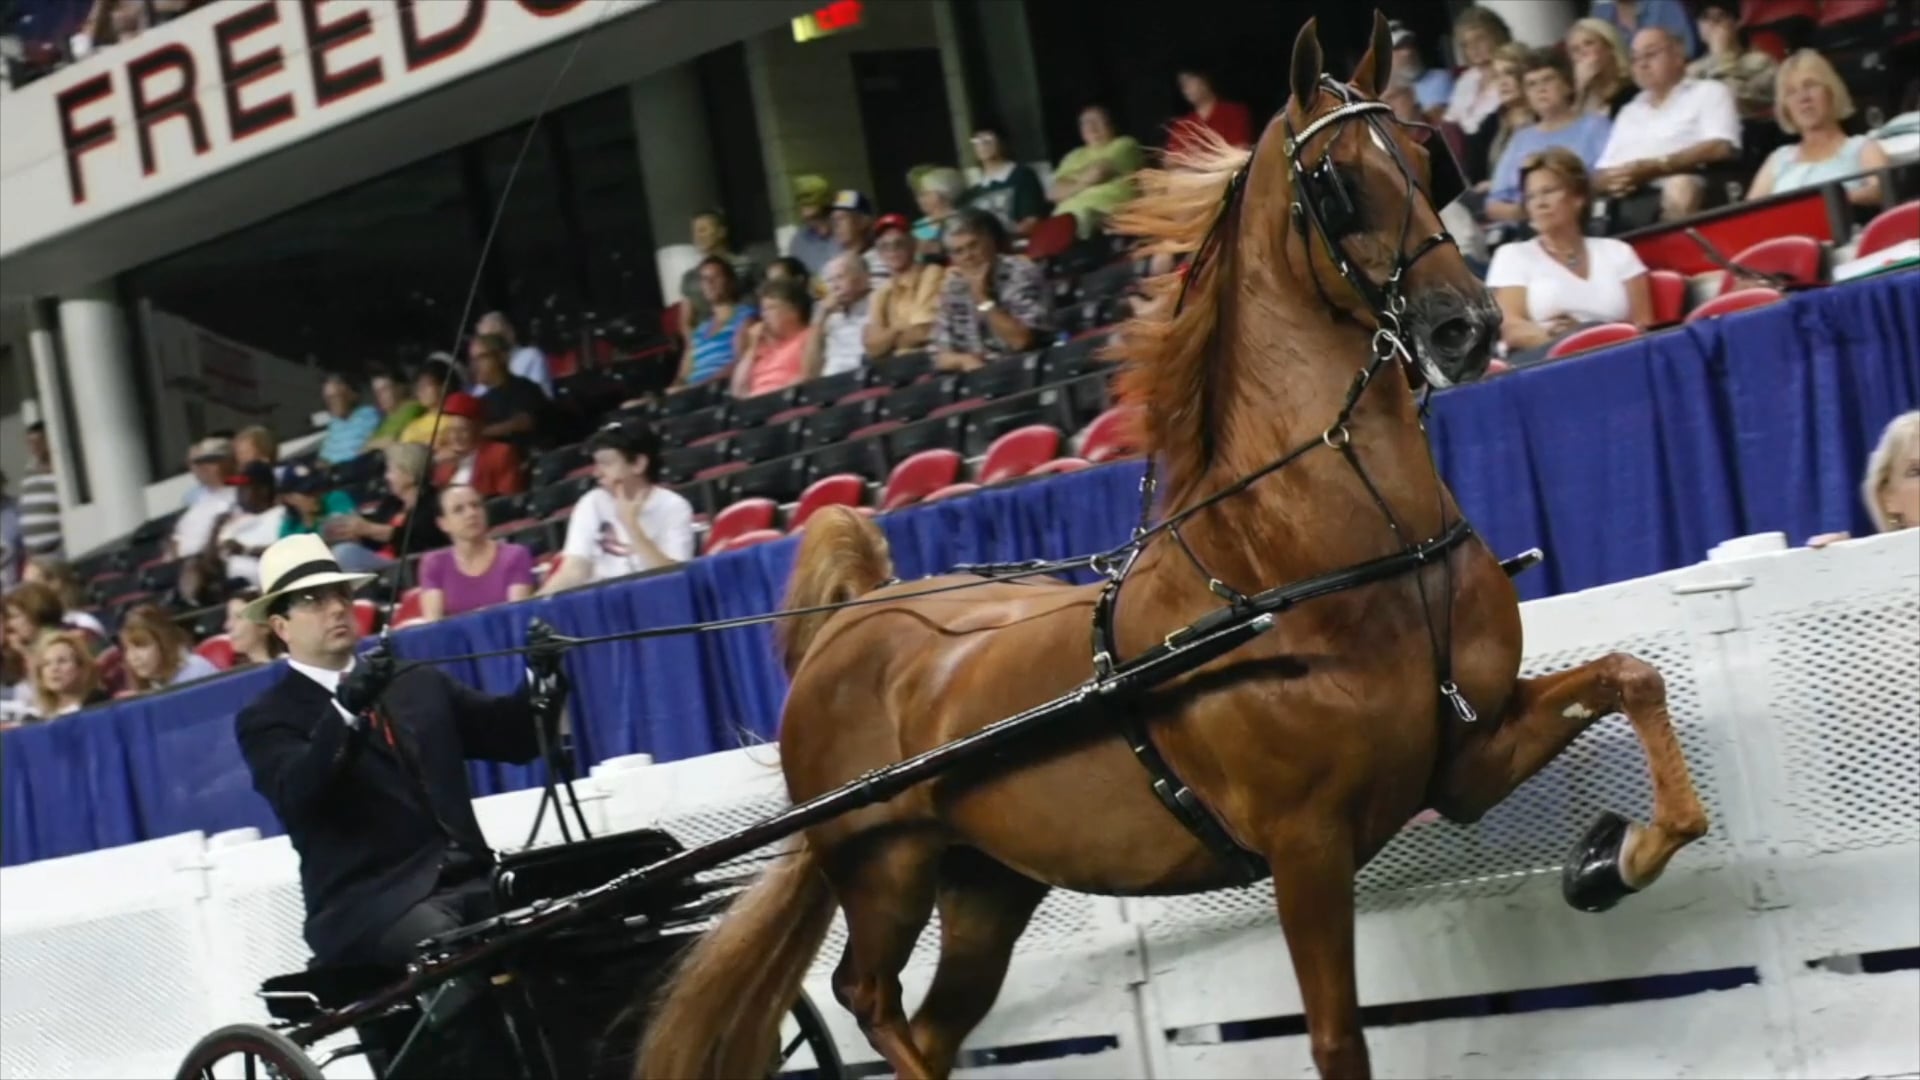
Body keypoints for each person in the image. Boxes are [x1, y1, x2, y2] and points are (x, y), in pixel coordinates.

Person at [233, 533, 549, 974]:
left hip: (470, 879)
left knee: (570, 917)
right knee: (453, 947)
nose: (336, 607)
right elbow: (298, 791)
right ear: (281, 626)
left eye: (340, 594)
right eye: (312, 600)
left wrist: (542, 680)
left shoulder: (414, 681)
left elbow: (513, 739)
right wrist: (344, 710)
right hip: (366, 908)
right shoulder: (267, 718)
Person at [1487, 149, 1652, 365]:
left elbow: (1644, 328)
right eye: (1531, 196)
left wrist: (1588, 336)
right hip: (1546, 362)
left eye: (1548, 191)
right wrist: (1570, 342)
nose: (1539, 203)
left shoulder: (1618, 252)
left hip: (1618, 358)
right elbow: (1512, 328)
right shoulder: (1513, 255)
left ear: (1578, 197)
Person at [1592, 27, 1741, 223]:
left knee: (1681, 187)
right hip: (1631, 196)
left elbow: (1721, 147)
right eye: (1635, 58)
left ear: (1678, 56)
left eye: (1651, 54)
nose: (1642, 64)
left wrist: (1657, 166)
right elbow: (1603, 170)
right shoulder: (1629, 111)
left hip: (1689, 183)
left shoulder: (1709, 92)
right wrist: (1610, 180)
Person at [539, 425, 694, 595]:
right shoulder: (591, 503)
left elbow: (673, 578)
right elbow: (575, 570)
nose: (597, 473)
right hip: (606, 603)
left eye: (606, 463)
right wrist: (528, 608)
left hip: (657, 600)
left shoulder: (674, 506)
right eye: (596, 464)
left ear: (638, 464)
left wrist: (630, 524)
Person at [1746, 50, 1890, 209]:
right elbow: (1747, 215)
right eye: (1791, 92)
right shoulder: (1778, 160)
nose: (1803, 98)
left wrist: (1825, 203)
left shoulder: (1862, 147)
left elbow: (1882, 191)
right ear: (1786, 107)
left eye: (1810, 85)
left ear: (1831, 92)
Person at [1484, 49, 1614, 225]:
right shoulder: (1520, 139)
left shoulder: (1596, 126)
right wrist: (1528, 210)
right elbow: (1493, 205)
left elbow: (1610, 177)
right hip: (1528, 230)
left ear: (1567, 85)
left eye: (1548, 80)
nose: (1540, 89)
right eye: (1531, 84)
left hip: (1585, 221)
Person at [930, 209, 1051, 373]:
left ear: (991, 241)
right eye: (958, 251)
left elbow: (1021, 341)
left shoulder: (1020, 271)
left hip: (1028, 368)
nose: (968, 256)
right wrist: (963, 360)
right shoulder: (954, 287)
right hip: (980, 378)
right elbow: (939, 356)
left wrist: (982, 298)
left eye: (973, 245)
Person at [417, 485, 535, 621]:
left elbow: (518, 617)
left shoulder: (515, 555)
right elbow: (434, 625)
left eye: (476, 505)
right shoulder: (434, 563)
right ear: (443, 523)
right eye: (458, 510)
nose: (471, 514)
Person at [325, 443, 448, 572]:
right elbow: (374, 540)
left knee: (345, 554)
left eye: (391, 471)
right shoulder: (392, 502)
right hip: (385, 565)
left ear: (410, 475)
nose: (386, 477)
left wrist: (370, 529)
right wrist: (356, 534)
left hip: (414, 567)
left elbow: (418, 540)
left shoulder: (434, 503)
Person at [1048, 105, 1145, 238]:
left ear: (1110, 124)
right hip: (1064, 220)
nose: (1091, 127)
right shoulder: (1073, 156)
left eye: (1097, 121)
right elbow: (1053, 193)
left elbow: (1100, 171)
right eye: (1086, 123)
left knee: (1085, 219)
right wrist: (1085, 181)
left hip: (1105, 218)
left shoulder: (1124, 144)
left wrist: (1072, 182)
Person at [863, 214, 943, 358]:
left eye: (899, 243)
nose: (892, 251)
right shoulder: (880, 294)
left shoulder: (931, 273)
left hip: (928, 359)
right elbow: (872, 347)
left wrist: (886, 338)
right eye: (884, 246)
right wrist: (898, 329)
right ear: (879, 253)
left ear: (913, 244)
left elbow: (923, 332)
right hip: (895, 368)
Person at [672, 256, 757, 390]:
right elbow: (683, 375)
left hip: (720, 389)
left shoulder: (745, 317)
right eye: (705, 279)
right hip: (692, 393)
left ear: (730, 282)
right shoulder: (700, 330)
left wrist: (700, 386)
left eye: (716, 277)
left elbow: (740, 363)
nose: (709, 283)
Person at [1688, 0, 1778, 122]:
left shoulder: (1761, 63)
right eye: (1705, 17)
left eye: (1720, 16)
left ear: (1737, 23)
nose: (1713, 23)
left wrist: (1721, 58)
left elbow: (1734, 104)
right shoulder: (1691, 72)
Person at [428, 392, 526, 499]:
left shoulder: (500, 454)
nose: (455, 436)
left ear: (478, 428)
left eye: (462, 430)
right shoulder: (444, 463)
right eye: (451, 430)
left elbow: (510, 500)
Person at [467, 333, 550, 456]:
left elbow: (524, 422)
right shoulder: (481, 401)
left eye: (482, 357)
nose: (475, 366)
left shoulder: (524, 388)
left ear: (502, 356)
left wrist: (481, 433)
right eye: (473, 360)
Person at [730, 279, 813, 398]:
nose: (764, 315)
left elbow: (808, 376)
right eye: (763, 310)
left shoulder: (809, 336)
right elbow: (737, 391)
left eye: (771, 308)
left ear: (793, 311)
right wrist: (752, 348)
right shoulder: (761, 349)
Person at [961, 128, 1049, 239]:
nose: (983, 144)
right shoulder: (973, 192)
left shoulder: (1023, 175)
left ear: (1001, 142)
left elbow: (1032, 222)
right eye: (977, 140)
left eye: (988, 139)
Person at [1443, 6, 1514, 137]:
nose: (1473, 48)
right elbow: (1450, 124)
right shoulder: (1466, 80)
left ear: (1497, 36)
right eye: (1466, 44)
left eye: (1479, 39)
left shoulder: (1513, 72)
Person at [119, 604, 221, 693]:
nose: (133, 657)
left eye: (141, 646)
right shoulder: (149, 686)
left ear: (163, 643)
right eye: (127, 648)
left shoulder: (196, 670)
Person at [804, 251, 873, 379]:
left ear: (863, 279)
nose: (835, 286)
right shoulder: (827, 316)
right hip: (830, 387)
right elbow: (809, 373)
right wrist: (821, 316)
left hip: (864, 379)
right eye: (830, 281)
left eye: (840, 277)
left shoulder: (877, 304)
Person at [1166, 65, 1253, 154]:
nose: (1185, 88)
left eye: (1189, 80)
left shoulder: (1234, 112)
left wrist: (1196, 156)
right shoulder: (1183, 124)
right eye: (1182, 85)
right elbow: (1170, 161)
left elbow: (1239, 151)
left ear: (1204, 80)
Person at [29, 631, 109, 719]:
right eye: (46, 663)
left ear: (82, 669)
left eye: (62, 661)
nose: (54, 668)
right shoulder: (38, 721)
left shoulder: (102, 707)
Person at [473, 312, 553, 398]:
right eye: (485, 340)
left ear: (510, 332)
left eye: (494, 336)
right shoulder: (487, 369)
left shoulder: (530, 356)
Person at [1568, 17, 1636, 118]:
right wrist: (1581, 92)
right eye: (1575, 49)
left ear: (1610, 48)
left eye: (1589, 43)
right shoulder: (1578, 99)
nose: (1582, 52)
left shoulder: (1633, 90)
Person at [277, 461, 357, 539]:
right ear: (289, 498)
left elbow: (349, 533)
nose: (315, 494)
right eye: (308, 492)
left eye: (316, 487)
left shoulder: (335, 499)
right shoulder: (290, 527)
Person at [318, 376, 382, 466]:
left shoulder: (369, 416)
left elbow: (365, 453)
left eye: (335, 397)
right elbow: (324, 458)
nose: (330, 403)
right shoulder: (335, 423)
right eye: (327, 398)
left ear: (352, 395)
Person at [785, 174, 838, 275]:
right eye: (809, 220)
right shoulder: (799, 241)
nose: (804, 202)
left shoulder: (846, 233)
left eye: (820, 217)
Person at [363, 367, 425, 452]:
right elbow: (363, 449)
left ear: (400, 388)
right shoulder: (385, 419)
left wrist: (372, 445)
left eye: (384, 390)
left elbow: (391, 440)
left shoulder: (412, 408)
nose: (379, 396)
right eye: (376, 392)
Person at [226, 589, 281, 667]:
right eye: (229, 617)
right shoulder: (234, 675)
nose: (228, 625)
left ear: (265, 626)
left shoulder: (289, 666)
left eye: (238, 617)